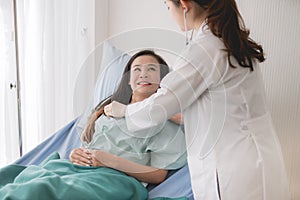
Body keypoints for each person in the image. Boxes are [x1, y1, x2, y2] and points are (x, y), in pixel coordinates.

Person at [104, 1, 290, 199]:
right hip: (260, 158)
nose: (169, 13)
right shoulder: (232, 41)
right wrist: (180, 117)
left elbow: (158, 107)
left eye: (168, 6)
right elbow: (227, 109)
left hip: (232, 172)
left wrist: (124, 111)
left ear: (184, 4)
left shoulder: (203, 49)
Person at [0, 50, 187, 200]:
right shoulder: (108, 111)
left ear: (163, 79)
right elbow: (90, 147)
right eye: (136, 69)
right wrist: (77, 154)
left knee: (39, 190)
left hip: (115, 180)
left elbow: (159, 175)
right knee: (18, 179)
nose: (143, 73)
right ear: (129, 81)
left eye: (152, 69)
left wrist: (110, 161)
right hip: (76, 170)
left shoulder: (164, 122)